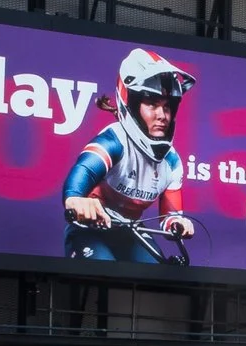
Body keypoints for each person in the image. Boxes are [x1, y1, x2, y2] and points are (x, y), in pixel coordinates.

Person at [63, 48, 198, 262]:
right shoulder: (113, 141)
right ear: (132, 105)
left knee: (159, 279)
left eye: (166, 107)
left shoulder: (172, 162)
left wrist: (177, 224)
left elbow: (170, 216)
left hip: (131, 232)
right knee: (103, 272)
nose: (162, 115)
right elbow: (82, 173)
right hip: (90, 230)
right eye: (152, 104)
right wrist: (75, 199)